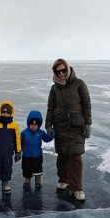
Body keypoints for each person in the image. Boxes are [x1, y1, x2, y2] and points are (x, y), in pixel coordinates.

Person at [45, 58, 92, 201]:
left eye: (63, 70)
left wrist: (88, 124)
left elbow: (87, 104)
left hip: (76, 126)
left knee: (75, 157)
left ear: (68, 69)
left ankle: (77, 188)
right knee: (62, 156)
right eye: (57, 71)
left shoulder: (79, 84)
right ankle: (63, 179)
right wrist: (48, 126)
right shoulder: (54, 88)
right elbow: (50, 108)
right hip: (60, 127)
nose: (61, 74)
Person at [20, 110, 53, 188]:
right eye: (32, 124)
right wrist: (18, 151)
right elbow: (20, 143)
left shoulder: (41, 132)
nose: (33, 126)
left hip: (37, 155)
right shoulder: (24, 133)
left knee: (37, 167)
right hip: (26, 155)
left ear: (38, 125)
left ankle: (38, 180)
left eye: (35, 125)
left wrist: (52, 135)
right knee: (26, 167)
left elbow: (47, 139)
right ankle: (27, 179)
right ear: (29, 124)